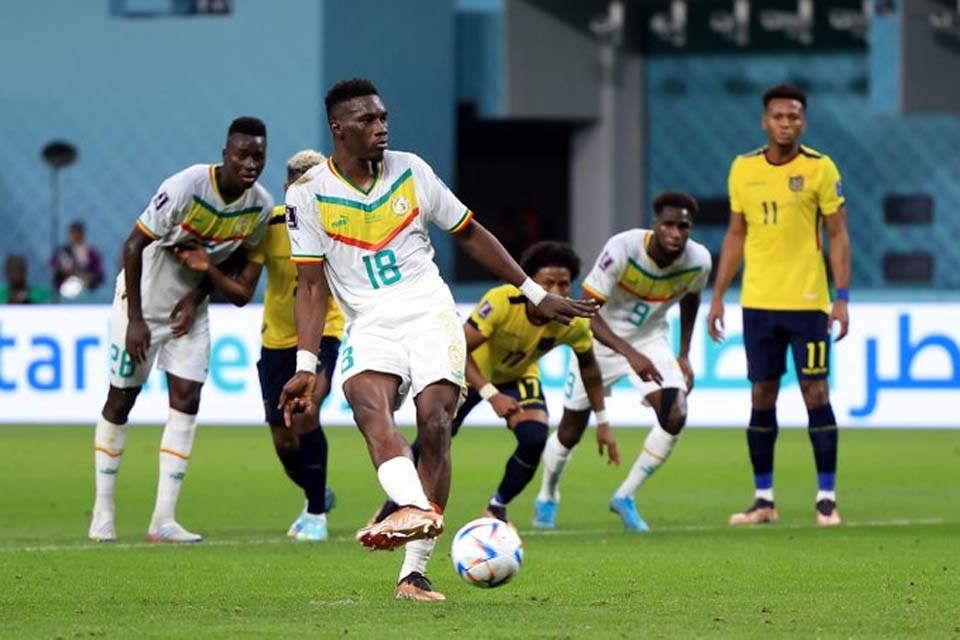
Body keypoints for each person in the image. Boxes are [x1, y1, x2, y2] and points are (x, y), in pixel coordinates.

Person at [280, 78, 595, 602]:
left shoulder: (412, 171)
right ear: (338, 128)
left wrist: (535, 292)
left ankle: (414, 573)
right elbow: (310, 285)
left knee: (435, 422)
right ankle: (415, 507)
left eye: (383, 117)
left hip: (429, 312)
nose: (381, 127)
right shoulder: (306, 194)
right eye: (367, 120)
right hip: (369, 322)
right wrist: (306, 365)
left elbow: (469, 232)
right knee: (368, 410)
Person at [88, 117, 273, 543]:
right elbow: (133, 244)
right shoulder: (188, 186)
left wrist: (195, 298)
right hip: (142, 303)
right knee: (121, 399)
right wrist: (136, 318)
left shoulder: (260, 207)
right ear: (225, 155)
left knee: (187, 398)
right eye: (242, 155)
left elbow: (234, 264)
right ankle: (103, 511)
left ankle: (164, 519)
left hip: (189, 311)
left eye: (258, 157)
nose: (250, 164)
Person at [372, 241, 616, 526]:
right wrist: (491, 394)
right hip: (467, 373)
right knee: (434, 437)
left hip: (518, 376)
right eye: (548, 283)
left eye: (564, 284)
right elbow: (460, 349)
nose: (557, 291)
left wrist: (602, 421)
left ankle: (497, 507)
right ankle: (393, 505)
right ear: (530, 284)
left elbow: (589, 369)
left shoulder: (571, 321)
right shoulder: (502, 301)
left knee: (535, 438)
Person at [707, 84, 851, 527]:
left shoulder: (820, 168)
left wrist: (842, 298)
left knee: (815, 392)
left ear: (802, 122)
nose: (786, 123)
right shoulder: (743, 168)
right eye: (778, 116)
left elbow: (838, 234)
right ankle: (764, 500)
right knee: (761, 395)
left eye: (794, 116)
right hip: (758, 303)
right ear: (764, 122)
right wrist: (718, 295)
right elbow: (736, 234)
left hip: (808, 303)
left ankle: (826, 499)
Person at [534, 191, 712, 532]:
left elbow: (692, 298)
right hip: (599, 342)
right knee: (570, 431)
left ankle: (625, 496)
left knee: (675, 413)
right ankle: (548, 493)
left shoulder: (699, 260)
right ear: (654, 224)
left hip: (650, 340)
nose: (676, 233)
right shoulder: (623, 249)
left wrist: (684, 353)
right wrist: (630, 354)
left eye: (683, 227)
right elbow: (587, 311)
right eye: (669, 225)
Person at [248, 149, 343, 541]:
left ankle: (317, 514)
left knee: (306, 413)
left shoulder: (339, 225)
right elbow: (244, 277)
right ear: (287, 188)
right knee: (284, 440)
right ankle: (316, 494)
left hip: (324, 331)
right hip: (276, 340)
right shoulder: (269, 226)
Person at [50, 220, 105, 297]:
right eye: (74, 234)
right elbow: (53, 266)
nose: (76, 236)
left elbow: (99, 273)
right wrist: (62, 269)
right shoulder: (62, 252)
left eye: (78, 234)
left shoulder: (92, 253)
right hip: (65, 287)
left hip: (87, 288)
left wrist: (88, 276)